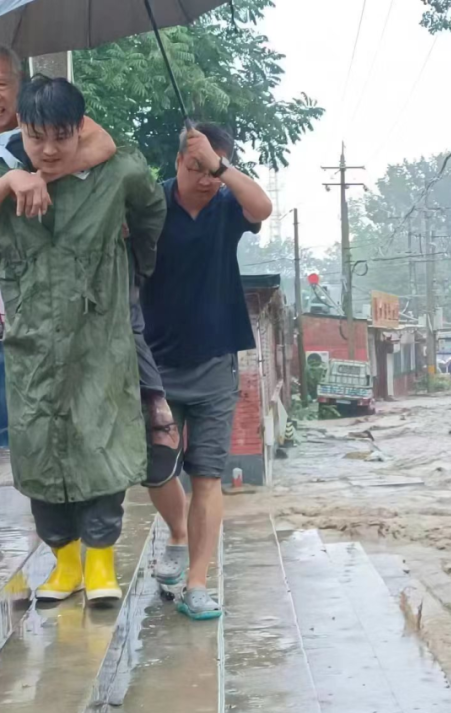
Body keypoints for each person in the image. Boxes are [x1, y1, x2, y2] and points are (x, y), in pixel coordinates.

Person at [0, 76, 167, 604]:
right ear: (21, 128)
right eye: (37, 137)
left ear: (81, 128)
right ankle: (65, 565)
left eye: (62, 136)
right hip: (33, 342)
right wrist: (21, 280)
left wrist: (132, 269)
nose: (50, 150)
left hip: (98, 337)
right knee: (39, 449)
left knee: (102, 443)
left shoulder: (117, 171)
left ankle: (100, 565)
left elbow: (151, 212)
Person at [0, 41, 181, 487]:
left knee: (123, 329)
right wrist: (13, 180)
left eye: (2, 83)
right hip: (35, 287)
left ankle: (155, 406)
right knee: (45, 405)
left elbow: (106, 150)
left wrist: (46, 174)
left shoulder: (56, 109)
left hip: (96, 266)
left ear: (18, 83)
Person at [141, 123, 272, 620]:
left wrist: (221, 169)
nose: (204, 179)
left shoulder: (227, 207)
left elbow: (262, 207)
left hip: (216, 361)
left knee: (208, 475)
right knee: (155, 467)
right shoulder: (152, 205)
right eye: (195, 167)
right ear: (177, 161)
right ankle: (178, 532)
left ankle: (197, 583)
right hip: (156, 361)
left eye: (213, 171)